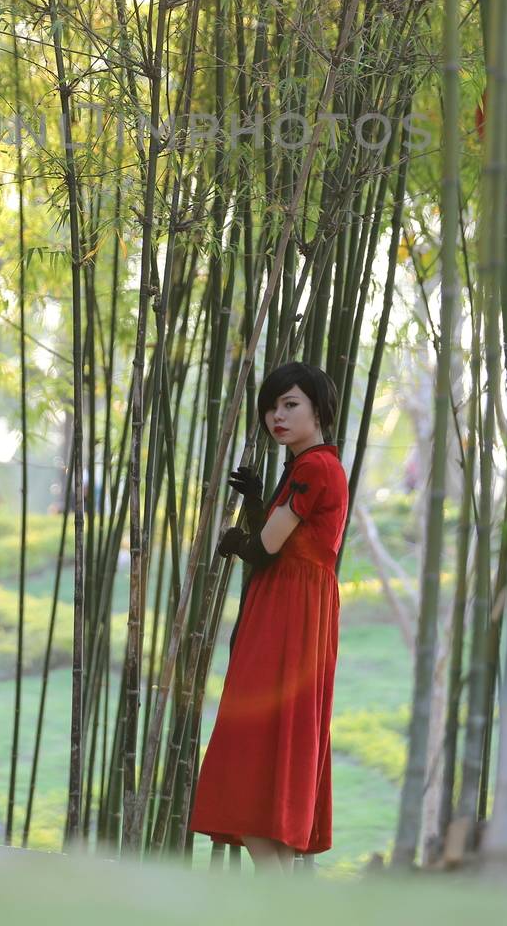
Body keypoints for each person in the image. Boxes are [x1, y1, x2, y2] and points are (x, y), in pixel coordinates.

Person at [188, 361, 349, 869]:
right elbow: (279, 543)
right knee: (269, 748)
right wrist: (259, 505)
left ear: (319, 409)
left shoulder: (312, 467)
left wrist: (236, 539)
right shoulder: (314, 466)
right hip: (296, 609)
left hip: (289, 613)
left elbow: (265, 549)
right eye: (271, 408)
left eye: (290, 404)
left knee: (253, 746)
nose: (275, 416)